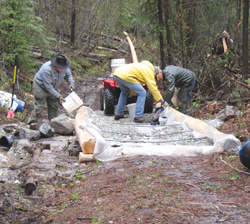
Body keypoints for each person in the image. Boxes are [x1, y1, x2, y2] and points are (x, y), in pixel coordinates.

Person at [27, 54, 75, 124]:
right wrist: (58, 96)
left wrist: (71, 83)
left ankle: (53, 124)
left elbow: (68, 75)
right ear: (55, 65)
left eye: (62, 67)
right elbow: (48, 86)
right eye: (60, 67)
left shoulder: (64, 66)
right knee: (39, 107)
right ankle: (31, 125)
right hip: (40, 87)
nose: (62, 69)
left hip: (53, 87)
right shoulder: (47, 69)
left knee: (54, 106)